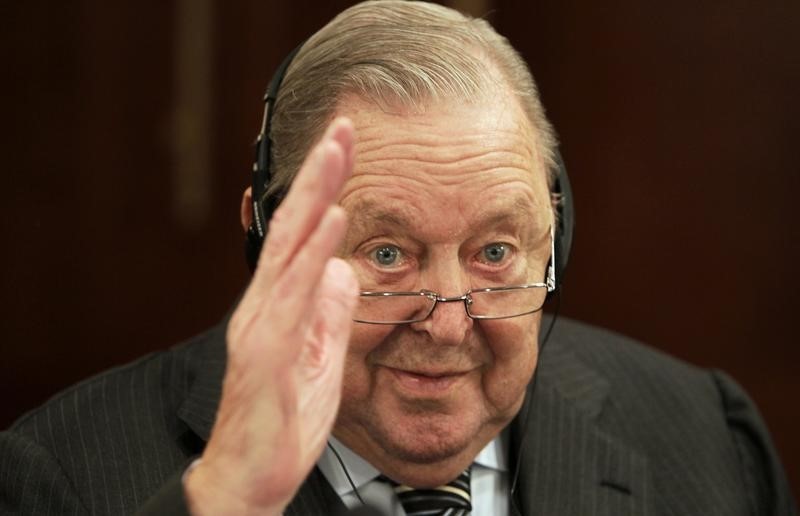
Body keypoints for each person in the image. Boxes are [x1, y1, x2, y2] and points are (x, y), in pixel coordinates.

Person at [1, 1, 796, 515]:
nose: (448, 326)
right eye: (387, 254)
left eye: (493, 251)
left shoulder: (707, 441)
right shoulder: (54, 478)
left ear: (555, 241)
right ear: (269, 246)